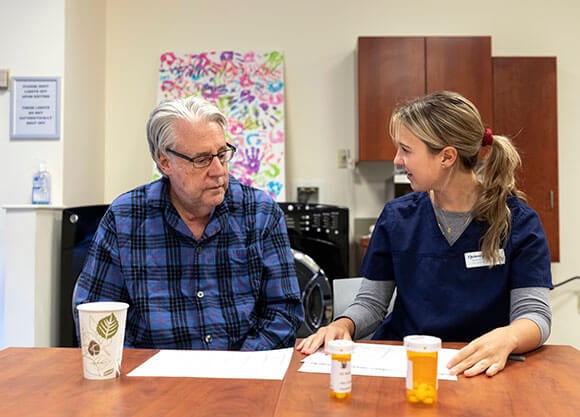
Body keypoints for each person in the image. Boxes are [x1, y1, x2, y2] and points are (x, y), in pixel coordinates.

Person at [297, 91, 552, 377]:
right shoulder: (397, 217)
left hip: (478, 369)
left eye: (406, 150)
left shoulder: (517, 221)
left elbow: (535, 316)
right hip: (406, 366)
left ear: (447, 157)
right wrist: (342, 325)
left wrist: (510, 337)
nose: (396, 160)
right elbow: (371, 303)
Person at [73, 96, 304, 351]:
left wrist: (237, 366)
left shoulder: (260, 213)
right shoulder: (126, 218)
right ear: (165, 162)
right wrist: (134, 373)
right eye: (202, 159)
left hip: (242, 376)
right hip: (153, 381)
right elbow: (95, 313)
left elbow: (284, 313)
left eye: (222, 154)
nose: (219, 170)